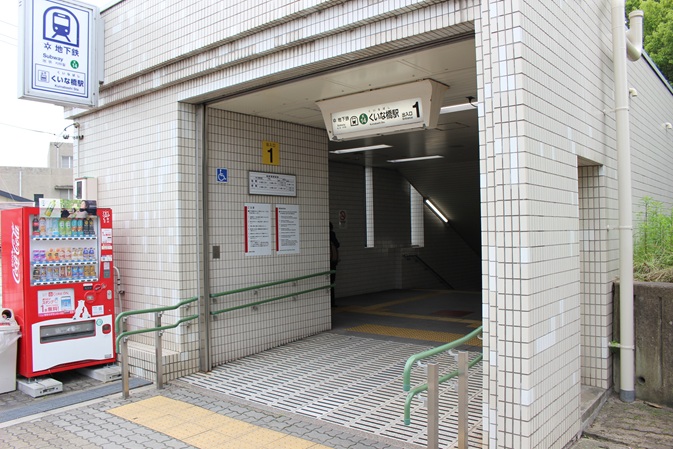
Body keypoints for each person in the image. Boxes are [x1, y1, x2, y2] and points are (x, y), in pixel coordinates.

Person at [329, 222, 340, 307]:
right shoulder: (332, 234)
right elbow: (337, 244)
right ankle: (332, 302)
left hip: (326, 262)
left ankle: (329, 302)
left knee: (328, 282)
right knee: (331, 282)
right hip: (332, 262)